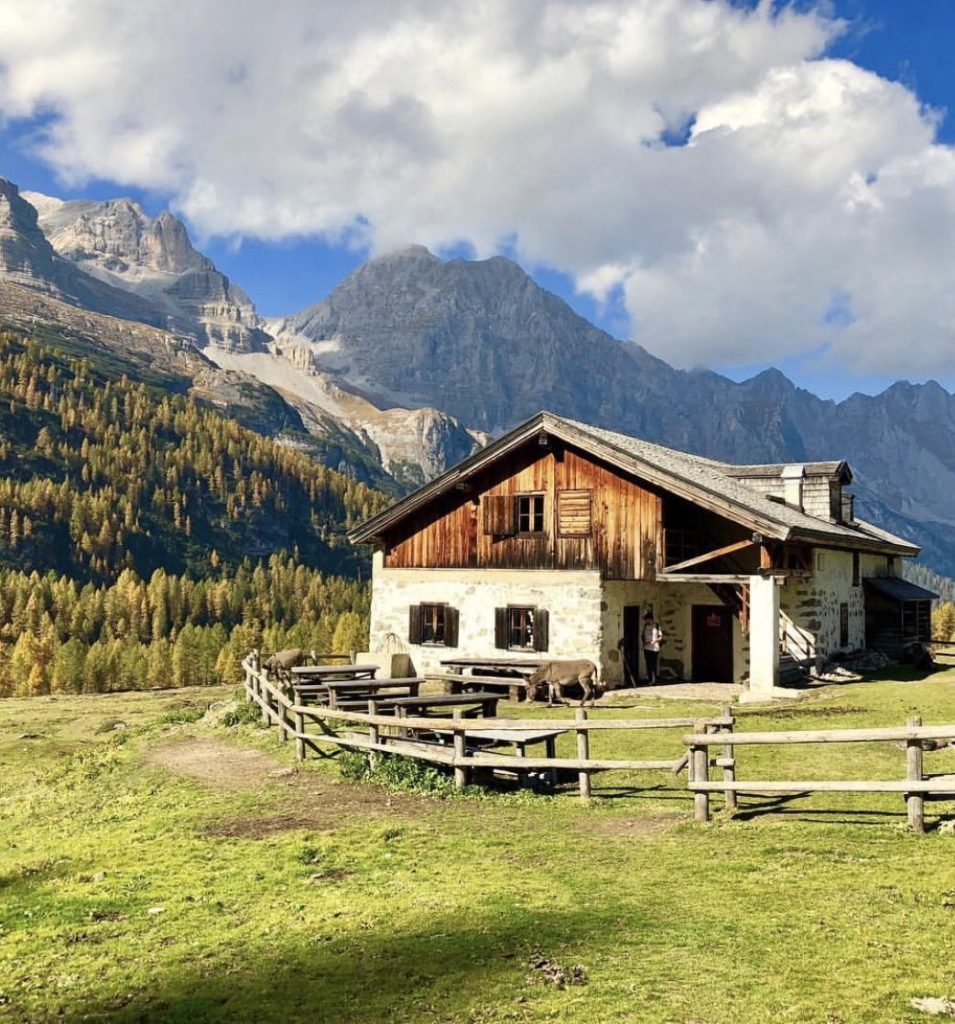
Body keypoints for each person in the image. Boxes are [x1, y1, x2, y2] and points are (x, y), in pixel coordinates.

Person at [642, 616, 664, 684]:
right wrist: (644, 643)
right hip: (647, 647)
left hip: (655, 648)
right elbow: (643, 635)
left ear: (651, 619)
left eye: (648, 620)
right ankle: (649, 679)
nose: (647, 621)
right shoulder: (645, 626)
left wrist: (655, 640)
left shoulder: (657, 626)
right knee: (648, 664)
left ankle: (654, 679)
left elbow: (661, 637)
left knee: (653, 664)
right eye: (646, 620)